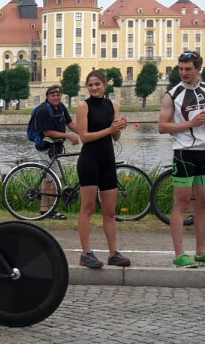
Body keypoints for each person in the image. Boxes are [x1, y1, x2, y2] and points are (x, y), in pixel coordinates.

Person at [158, 51, 205, 268]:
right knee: (182, 204)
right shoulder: (172, 94)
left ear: (198, 69)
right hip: (184, 153)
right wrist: (190, 124)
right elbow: (162, 126)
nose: (183, 73)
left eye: (188, 69)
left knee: (204, 205)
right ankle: (179, 254)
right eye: (180, 69)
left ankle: (201, 252)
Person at [76, 70, 130, 269]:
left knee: (109, 211)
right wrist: (109, 130)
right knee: (88, 208)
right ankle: (86, 253)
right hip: (89, 161)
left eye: (97, 84)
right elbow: (84, 137)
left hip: (108, 160)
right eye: (90, 85)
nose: (94, 88)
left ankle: (114, 253)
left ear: (105, 85)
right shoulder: (84, 106)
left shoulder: (113, 104)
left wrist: (118, 128)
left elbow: (115, 138)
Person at [35, 85, 79, 220]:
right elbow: (47, 132)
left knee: (51, 179)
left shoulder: (60, 107)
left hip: (55, 147)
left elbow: (70, 123)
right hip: (45, 146)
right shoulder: (43, 110)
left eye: (58, 95)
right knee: (54, 179)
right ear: (48, 97)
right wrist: (69, 136)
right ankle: (50, 210)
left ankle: (45, 209)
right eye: (53, 95)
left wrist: (85, 134)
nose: (56, 97)